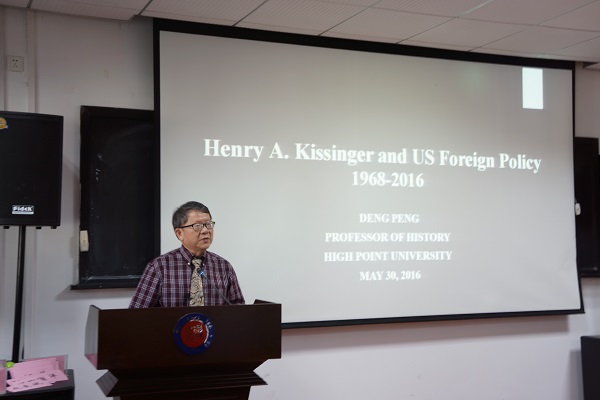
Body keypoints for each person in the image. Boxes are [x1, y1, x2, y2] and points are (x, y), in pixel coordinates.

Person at [129, 201, 244, 308]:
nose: (205, 231)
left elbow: (238, 311)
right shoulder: (159, 267)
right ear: (179, 233)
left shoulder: (224, 267)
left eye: (208, 224)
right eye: (197, 226)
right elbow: (136, 315)